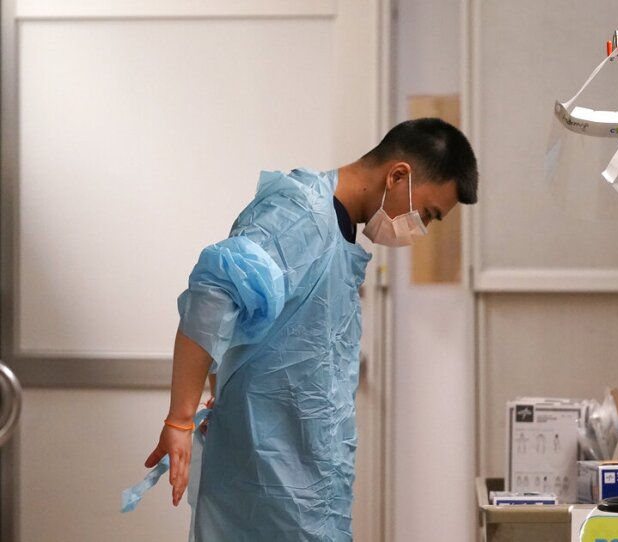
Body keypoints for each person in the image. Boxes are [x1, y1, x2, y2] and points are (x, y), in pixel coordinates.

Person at [144, 117, 478, 541]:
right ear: (398, 175)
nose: (420, 229)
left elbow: (254, 322)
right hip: (267, 484)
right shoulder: (301, 217)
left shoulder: (339, 238)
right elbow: (215, 294)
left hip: (304, 480)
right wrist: (181, 419)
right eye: (426, 214)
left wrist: (220, 384)